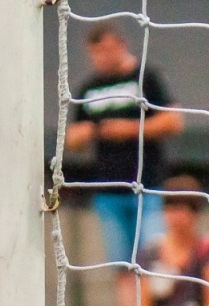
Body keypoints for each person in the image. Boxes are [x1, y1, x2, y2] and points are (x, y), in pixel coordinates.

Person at [65, 23, 185, 306]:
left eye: (106, 51)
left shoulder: (146, 78)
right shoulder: (89, 88)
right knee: (122, 266)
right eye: (96, 53)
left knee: (155, 260)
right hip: (107, 190)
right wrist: (94, 131)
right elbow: (72, 137)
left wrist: (129, 129)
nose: (102, 59)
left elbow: (173, 120)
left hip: (148, 187)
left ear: (121, 44)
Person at [133, 176, 209, 306]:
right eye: (170, 208)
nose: (174, 216)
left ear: (195, 212)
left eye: (180, 209)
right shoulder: (150, 250)